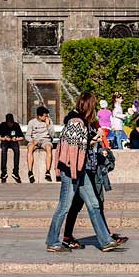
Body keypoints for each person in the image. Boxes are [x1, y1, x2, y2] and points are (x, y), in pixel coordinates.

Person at [46, 97, 124, 253]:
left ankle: (106, 241)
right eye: (93, 106)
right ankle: (52, 241)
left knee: (94, 204)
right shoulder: (76, 121)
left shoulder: (82, 121)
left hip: (80, 169)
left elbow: (80, 144)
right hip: (71, 170)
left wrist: (93, 138)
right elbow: (73, 148)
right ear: (88, 106)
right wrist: (94, 138)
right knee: (64, 206)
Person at [26, 107, 53, 183]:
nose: (46, 117)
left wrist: (48, 126)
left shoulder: (49, 121)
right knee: (30, 148)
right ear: (39, 116)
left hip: (45, 140)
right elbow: (27, 135)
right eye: (45, 116)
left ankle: (47, 171)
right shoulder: (32, 122)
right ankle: (30, 172)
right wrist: (32, 141)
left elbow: (52, 135)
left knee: (48, 148)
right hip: (35, 140)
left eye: (47, 116)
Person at [0, 113, 24, 183]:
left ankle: (15, 172)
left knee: (17, 150)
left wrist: (16, 139)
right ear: (6, 122)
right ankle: (3, 172)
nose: (10, 124)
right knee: (4, 151)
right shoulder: (3, 125)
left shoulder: (16, 125)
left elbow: (22, 137)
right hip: (5, 141)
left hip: (13, 141)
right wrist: (4, 138)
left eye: (11, 123)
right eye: (8, 123)